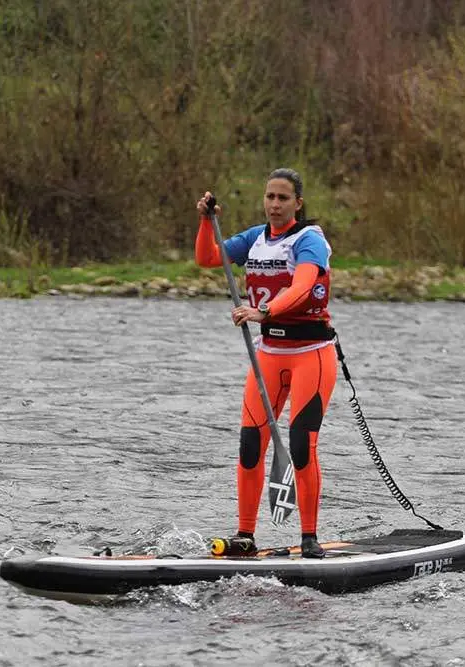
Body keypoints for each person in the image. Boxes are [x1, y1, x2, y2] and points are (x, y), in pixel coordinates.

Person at [194, 168, 337, 558]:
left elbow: (303, 286)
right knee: (250, 444)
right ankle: (245, 535)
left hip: (311, 354)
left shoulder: (309, 241)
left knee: (301, 445)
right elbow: (207, 258)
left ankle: (309, 538)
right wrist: (206, 222)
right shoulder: (254, 239)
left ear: (297, 203)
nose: (275, 204)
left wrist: (265, 311)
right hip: (269, 356)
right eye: (270, 197)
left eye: (283, 198)